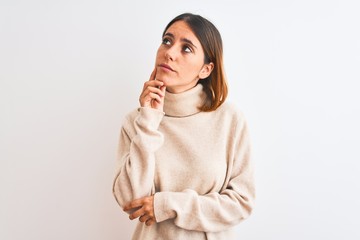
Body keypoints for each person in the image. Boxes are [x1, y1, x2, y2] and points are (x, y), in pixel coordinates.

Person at [112, 13, 255, 240]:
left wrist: (167, 205)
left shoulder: (230, 119)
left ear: (206, 70)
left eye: (186, 48)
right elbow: (130, 200)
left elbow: (241, 203)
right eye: (167, 41)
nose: (169, 53)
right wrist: (149, 119)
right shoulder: (136, 122)